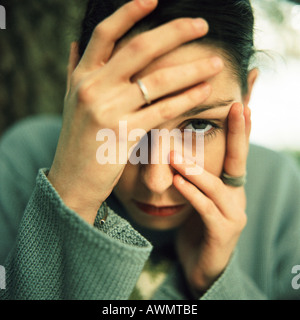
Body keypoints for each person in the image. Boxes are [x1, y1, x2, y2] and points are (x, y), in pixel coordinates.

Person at [0, 0, 300, 300]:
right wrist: (69, 204)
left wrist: (216, 282)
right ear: (76, 83)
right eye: (129, 121)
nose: (156, 182)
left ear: (247, 96)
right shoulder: (24, 158)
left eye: (198, 126)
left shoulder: (281, 193)